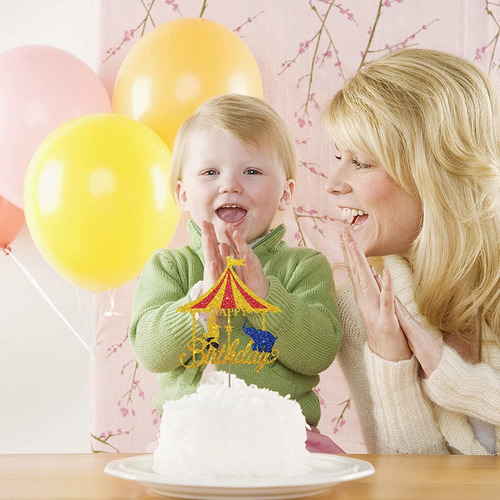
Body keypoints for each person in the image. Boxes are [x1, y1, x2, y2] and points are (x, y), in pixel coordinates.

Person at [130, 94, 343, 453]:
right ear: (182, 194)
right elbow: (151, 352)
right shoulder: (170, 267)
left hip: (287, 434)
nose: (230, 185)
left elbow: (319, 351)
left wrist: (266, 299)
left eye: (252, 171)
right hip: (191, 433)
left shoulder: (305, 267)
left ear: (286, 194)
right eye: (210, 172)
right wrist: (201, 306)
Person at [324, 48, 500, 455]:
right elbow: (412, 482)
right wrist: (391, 361)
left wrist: (453, 378)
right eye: (340, 157)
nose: (333, 182)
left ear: (434, 175)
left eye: (362, 163)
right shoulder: (357, 304)